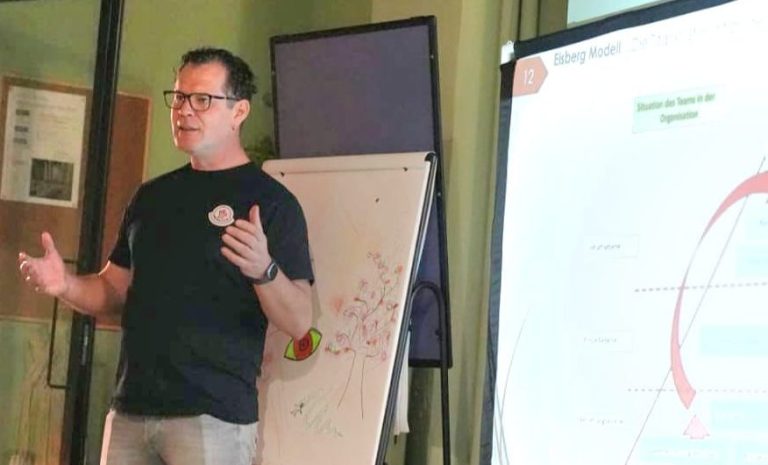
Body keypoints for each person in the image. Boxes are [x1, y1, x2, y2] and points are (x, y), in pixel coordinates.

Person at [17, 47, 314, 465]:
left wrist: (263, 270)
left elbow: (300, 320)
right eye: (179, 97)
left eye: (202, 99)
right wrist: (64, 284)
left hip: (213, 417)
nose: (184, 110)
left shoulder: (272, 203)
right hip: (130, 410)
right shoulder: (151, 197)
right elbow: (112, 290)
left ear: (239, 111)